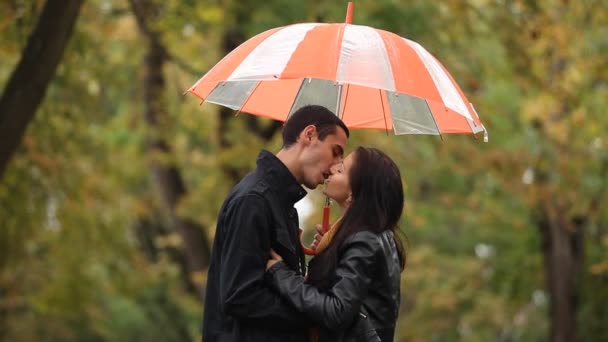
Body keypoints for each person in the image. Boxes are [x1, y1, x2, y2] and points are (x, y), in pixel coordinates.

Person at [202, 105, 350, 342]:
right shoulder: (254, 200)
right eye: (335, 151)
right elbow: (240, 295)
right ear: (309, 134)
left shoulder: (282, 204)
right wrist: (314, 316)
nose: (336, 166)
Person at [265, 147, 406, 342]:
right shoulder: (375, 235)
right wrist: (330, 254)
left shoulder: (364, 241)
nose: (332, 169)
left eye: (341, 170)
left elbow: (336, 311)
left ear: (355, 193)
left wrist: (281, 275)